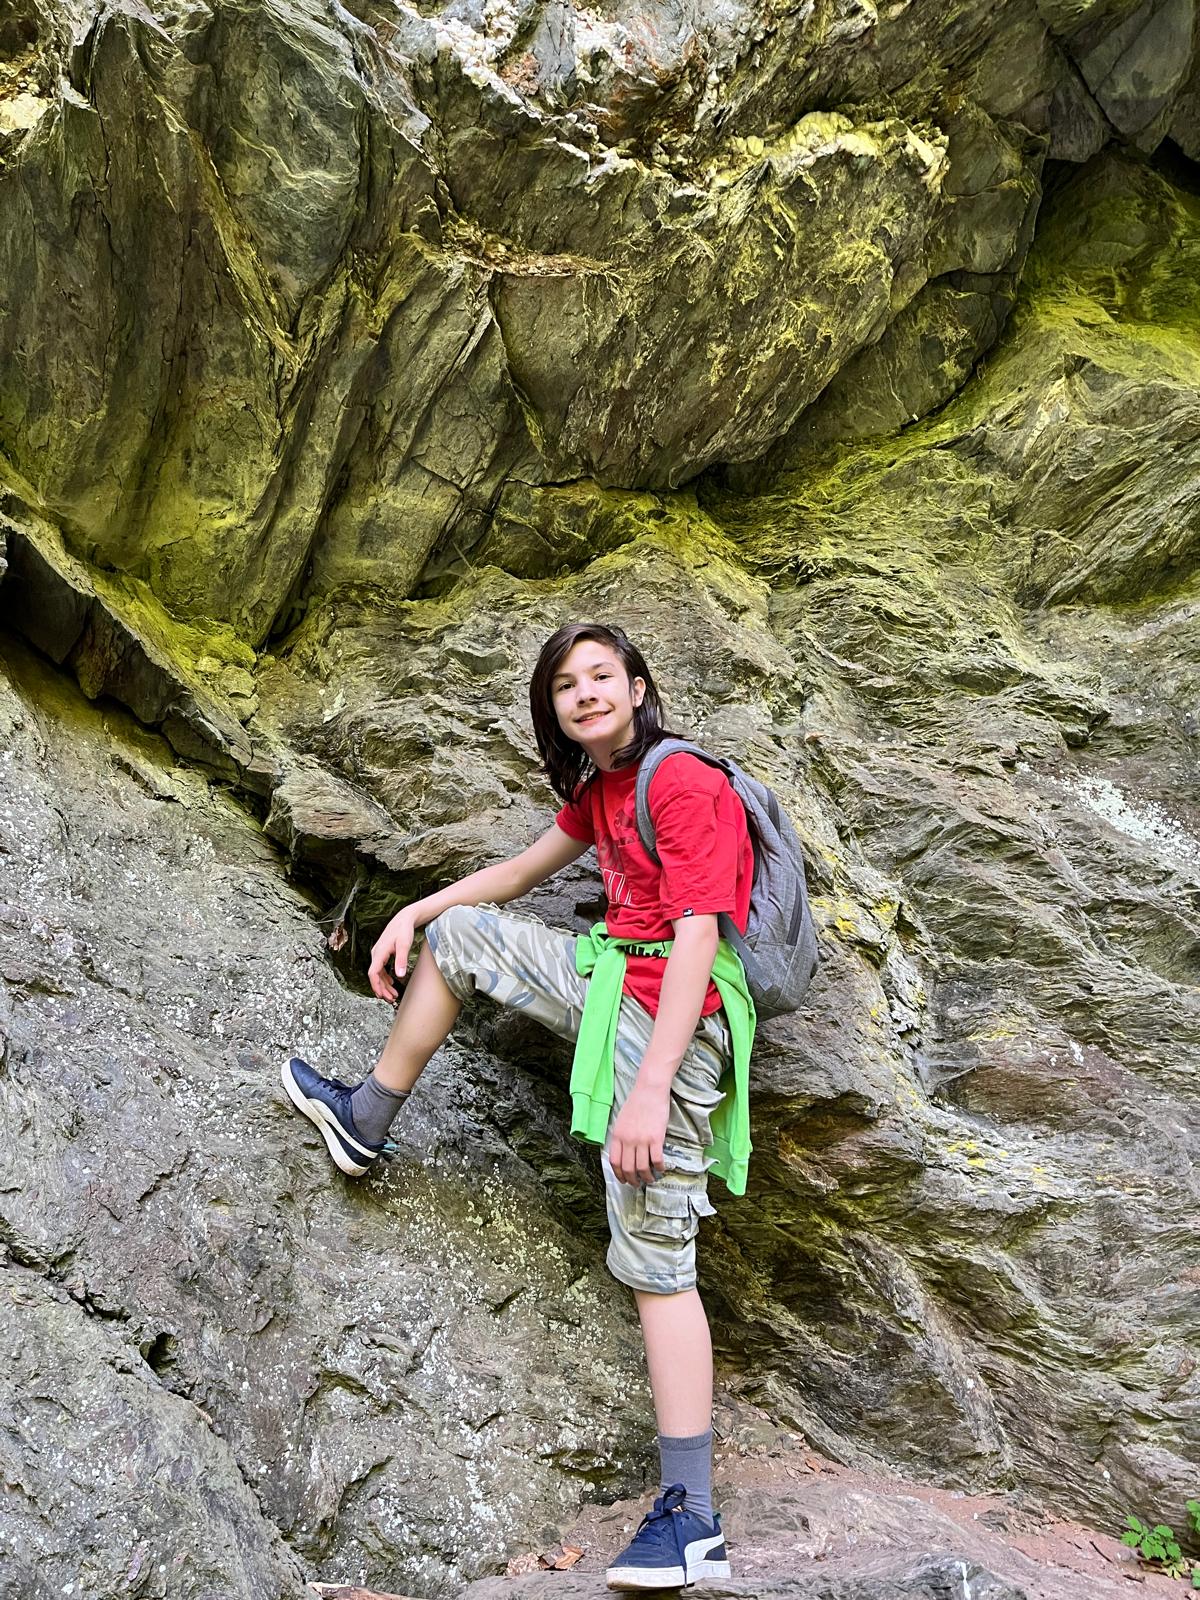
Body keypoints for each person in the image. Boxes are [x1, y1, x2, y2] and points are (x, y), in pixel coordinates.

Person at [281, 621, 756, 1589]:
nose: (586, 694)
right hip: (611, 982)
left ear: (637, 686)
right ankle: (364, 1121)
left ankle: (692, 1518)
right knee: (464, 935)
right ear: (554, 709)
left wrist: (650, 1093)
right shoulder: (604, 789)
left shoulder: (679, 781)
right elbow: (518, 874)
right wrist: (418, 912)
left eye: (601, 676)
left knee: (657, 1257)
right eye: (566, 685)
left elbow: (701, 938)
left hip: (673, 1025)